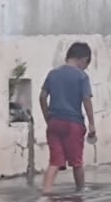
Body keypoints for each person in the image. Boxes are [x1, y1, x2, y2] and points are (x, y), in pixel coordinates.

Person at [39, 42, 97, 193]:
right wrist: (91, 124)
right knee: (77, 162)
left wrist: (48, 118)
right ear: (83, 59)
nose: (85, 68)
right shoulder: (82, 77)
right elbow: (86, 100)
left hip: (54, 122)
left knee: (54, 162)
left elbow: (42, 97)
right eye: (86, 64)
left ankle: (46, 191)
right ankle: (81, 191)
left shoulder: (53, 74)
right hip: (73, 124)